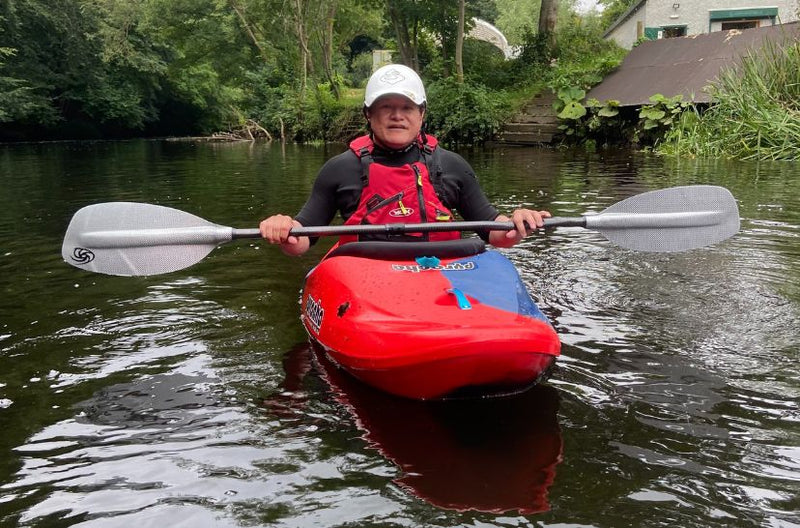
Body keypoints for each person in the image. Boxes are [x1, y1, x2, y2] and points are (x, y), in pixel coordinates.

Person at [260, 64, 550, 256]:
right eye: (386, 107)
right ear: (368, 115)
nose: (397, 115)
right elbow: (303, 238)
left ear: (421, 114)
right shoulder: (340, 169)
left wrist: (516, 223)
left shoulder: (451, 165)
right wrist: (285, 228)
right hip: (365, 277)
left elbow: (494, 230)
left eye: (407, 107)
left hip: (444, 273)